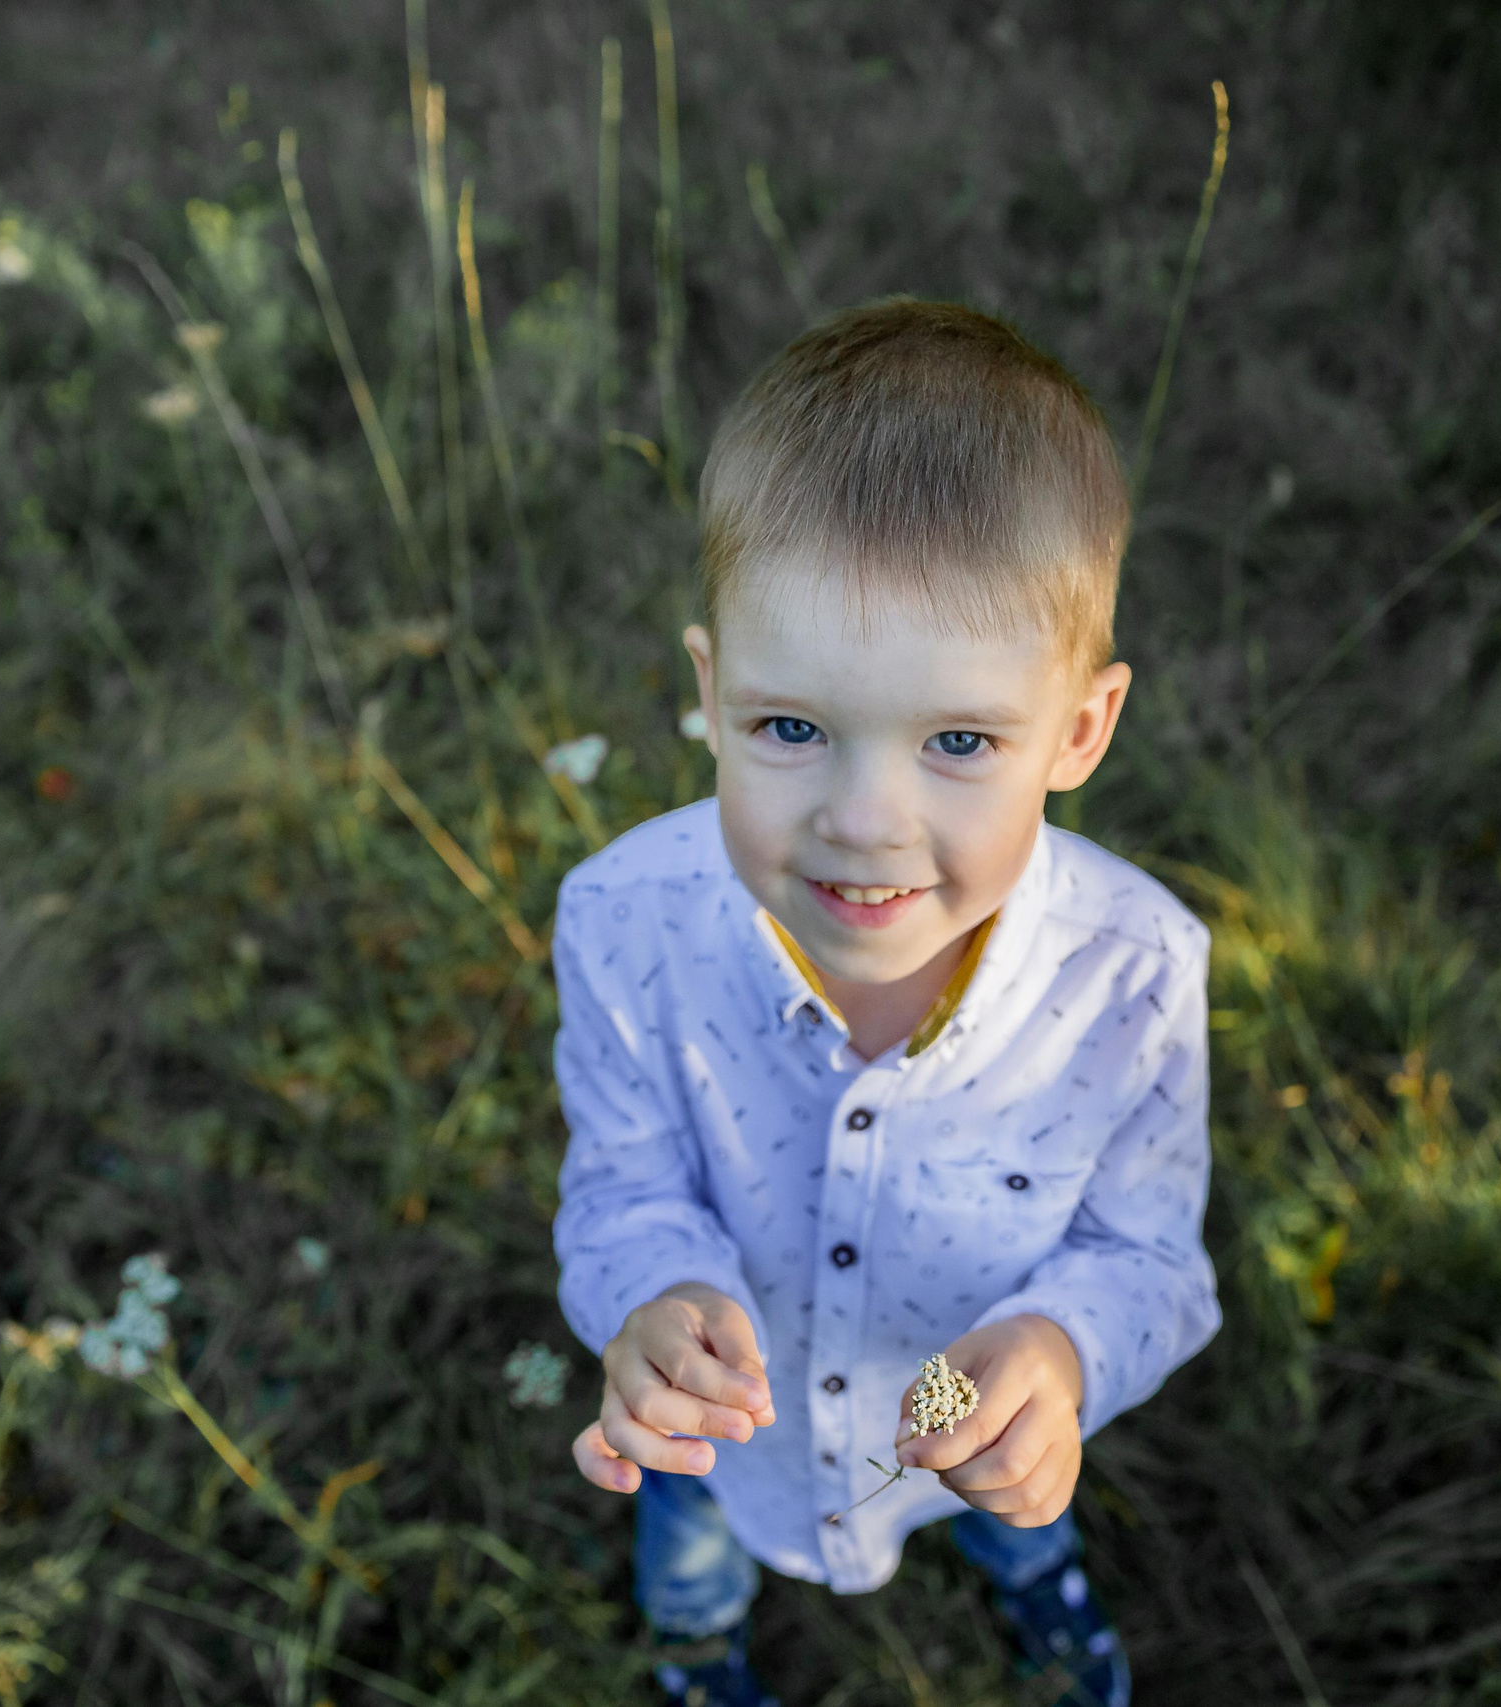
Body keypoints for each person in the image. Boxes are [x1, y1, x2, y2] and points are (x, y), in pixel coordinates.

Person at [551, 298, 1219, 1707]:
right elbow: (622, 1189)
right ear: (712, 687)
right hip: (737, 1431)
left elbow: (1150, 1257)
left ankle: (1044, 1586)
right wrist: (653, 1296)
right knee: (690, 1551)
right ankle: (695, 1652)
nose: (865, 822)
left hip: (950, 1407)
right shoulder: (625, 923)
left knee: (1008, 1506)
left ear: (1080, 732)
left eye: (961, 740)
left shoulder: (1136, 973)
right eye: (790, 728)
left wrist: (1063, 1350)